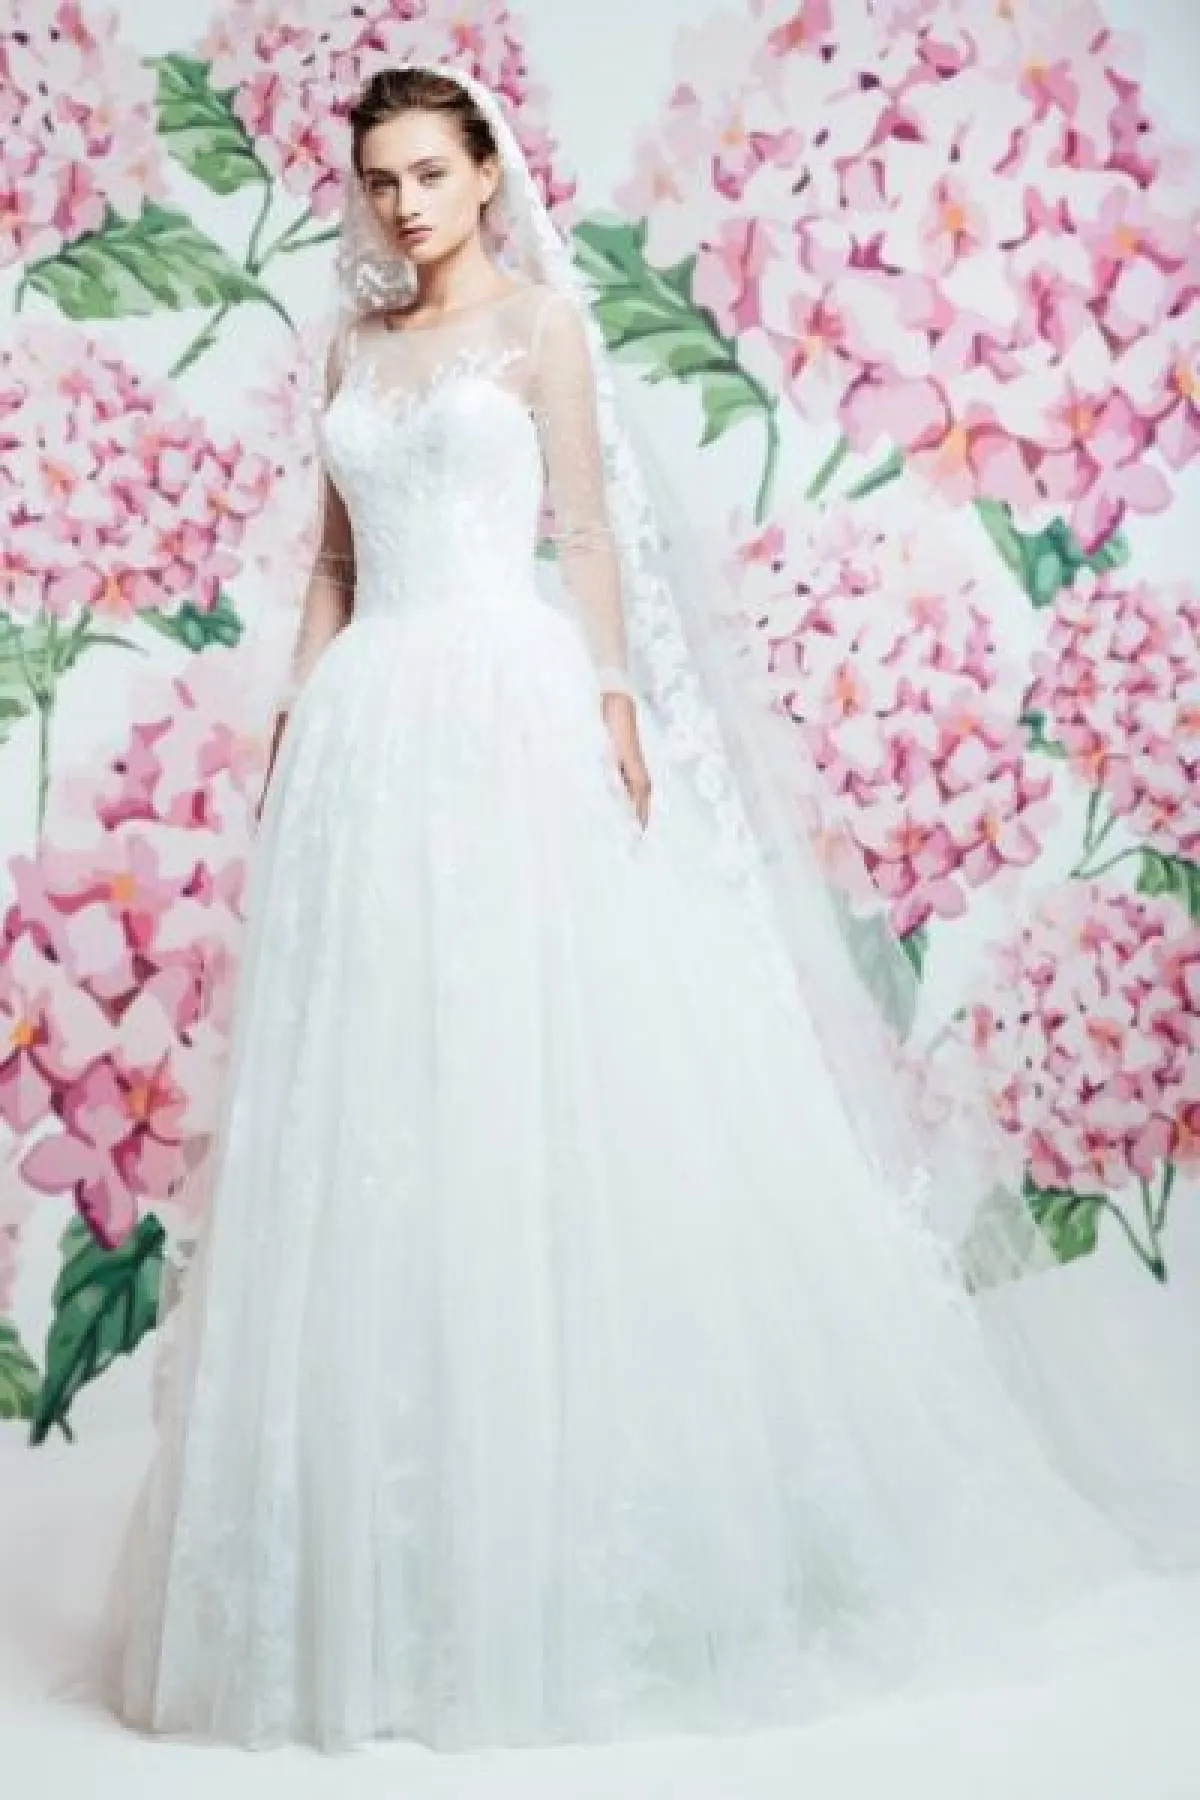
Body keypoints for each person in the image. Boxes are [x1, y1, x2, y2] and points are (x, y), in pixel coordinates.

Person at [92, 61, 1163, 1756]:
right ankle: (388, 1566)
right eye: (379, 179)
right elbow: (336, 566)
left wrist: (609, 697)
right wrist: (296, 716)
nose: (403, 205)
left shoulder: (540, 330)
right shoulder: (354, 350)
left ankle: (572, 1550)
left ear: (486, 172)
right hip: (369, 730)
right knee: (376, 1101)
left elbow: (586, 531)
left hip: (503, 708)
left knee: (532, 1072)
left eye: (430, 172)